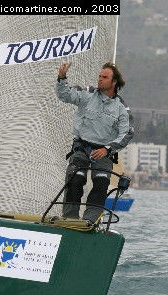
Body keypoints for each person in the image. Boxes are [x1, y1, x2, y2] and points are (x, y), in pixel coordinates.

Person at [55, 61, 134, 223]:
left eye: (104, 77)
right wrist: (62, 78)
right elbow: (65, 95)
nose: (100, 80)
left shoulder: (122, 109)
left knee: (101, 184)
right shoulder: (87, 93)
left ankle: (90, 222)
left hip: (104, 152)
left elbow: (127, 133)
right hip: (81, 147)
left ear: (114, 82)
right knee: (75, 180)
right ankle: (69, 219)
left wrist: (107, 149)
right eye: (99, 76)